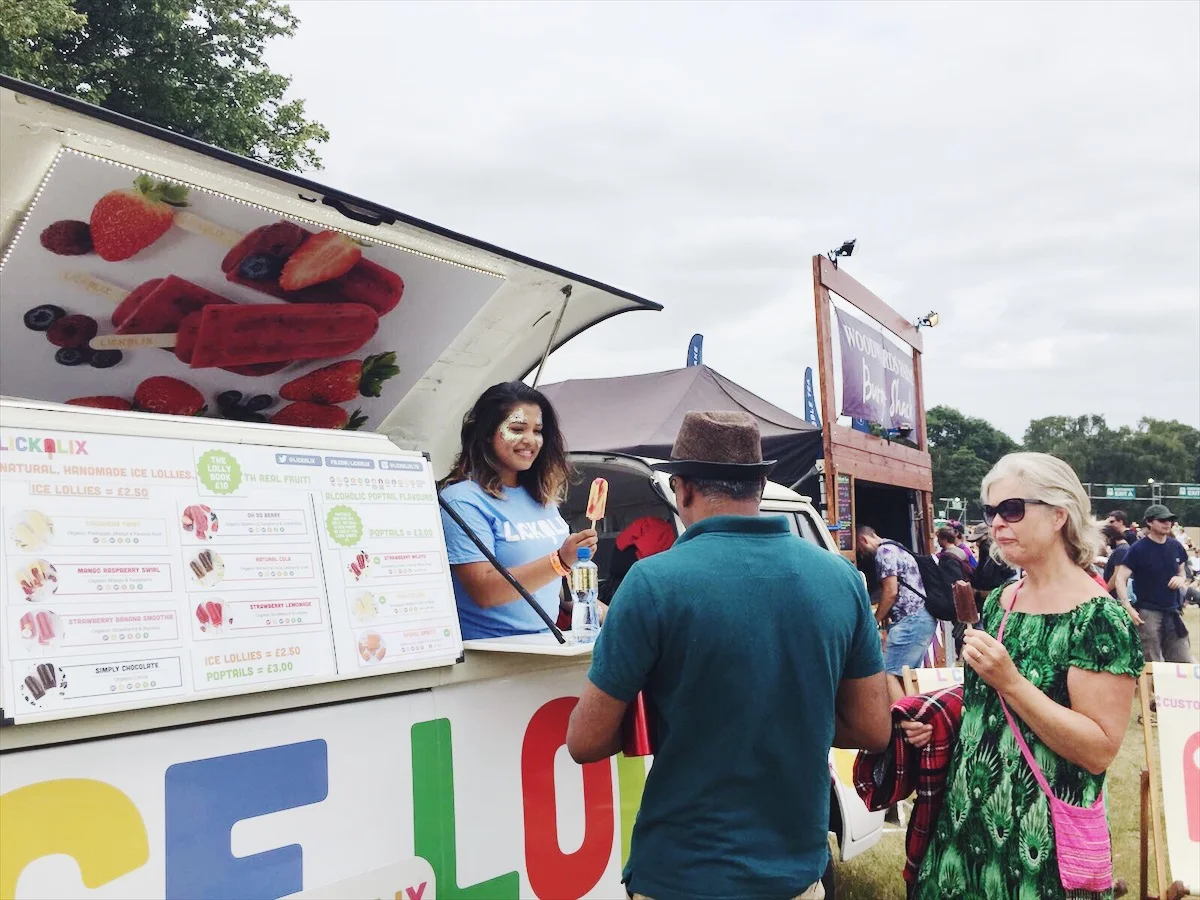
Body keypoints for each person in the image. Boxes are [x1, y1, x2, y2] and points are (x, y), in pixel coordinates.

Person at [566, 411, 890, 900]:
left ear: (682, 489)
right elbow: (871, 728)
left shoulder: (652, 583)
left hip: (681, 871)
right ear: (761, 485)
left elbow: (585, 741)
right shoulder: (841, 580)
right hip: (795, 871)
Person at [907, 452, 1143, 900]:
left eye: (1011, 509)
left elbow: (1098, 750)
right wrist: (938, 718)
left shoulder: (1098, 618)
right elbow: (988, 706)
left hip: (1041, 837)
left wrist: (1011, 681)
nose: (996, 523)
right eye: (990, 512)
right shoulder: (999, 602)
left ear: (1059, 514)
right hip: (966, 819)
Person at [438, 382, 597, 639]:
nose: (530, 440)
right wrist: (560, 561)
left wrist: (616, 616)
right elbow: (484, 590)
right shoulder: (462, 500)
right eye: (517, 429)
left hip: (548, 644)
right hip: (493, 654)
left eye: (538, 431)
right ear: (488, 432)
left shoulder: (543, 499)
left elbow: (559, 588)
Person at [857, 525, 938, 703]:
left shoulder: (883, 552)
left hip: (910, 620)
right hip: (922, 618)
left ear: (863, 540)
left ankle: (905, 721)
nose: (862, 554)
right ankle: (916, 716)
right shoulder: (896, 547)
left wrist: (874, 620)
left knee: (888, 674)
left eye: (860, 549)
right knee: (905, 676)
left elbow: (891, 591)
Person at [1115, 504, 1194, 663]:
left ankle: (1179, 688)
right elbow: (1120, 578)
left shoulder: (1176, 546)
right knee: (1151, 661)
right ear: (1149, 522)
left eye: (1170, 520)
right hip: (1148, 612)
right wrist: (1127, 607)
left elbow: (1182, 573)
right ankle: (1152, 688)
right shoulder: (1138, 549)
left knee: (1183, 659)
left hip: (1173, 611)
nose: (1167, 523)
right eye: (1162, 520)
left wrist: (1180, 579)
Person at [1100, 523, 1131, 596]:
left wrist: (1104, 592)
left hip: (1115, 595)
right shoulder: (1122, 549)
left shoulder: (1121, 550)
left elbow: (1117, 576)